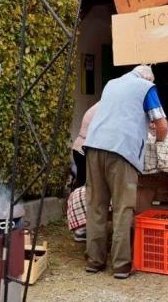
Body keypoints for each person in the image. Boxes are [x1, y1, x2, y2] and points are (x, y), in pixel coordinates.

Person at [82, 65, 168, 279]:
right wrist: (159, 143)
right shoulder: (146, 87)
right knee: (123, 206)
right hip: (121, 150)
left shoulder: (111, 84)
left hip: (93, 146)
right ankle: (121, 265)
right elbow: (161, 124)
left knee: (96, 205)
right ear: (148, 77)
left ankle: (94, 260)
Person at [68, 102, 98, 242]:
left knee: (81, 184)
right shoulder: (106, 106)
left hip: (80, 147)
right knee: (85, 187)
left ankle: (78, 224)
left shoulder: (96, 105)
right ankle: (81, 227)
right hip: (85, 149)